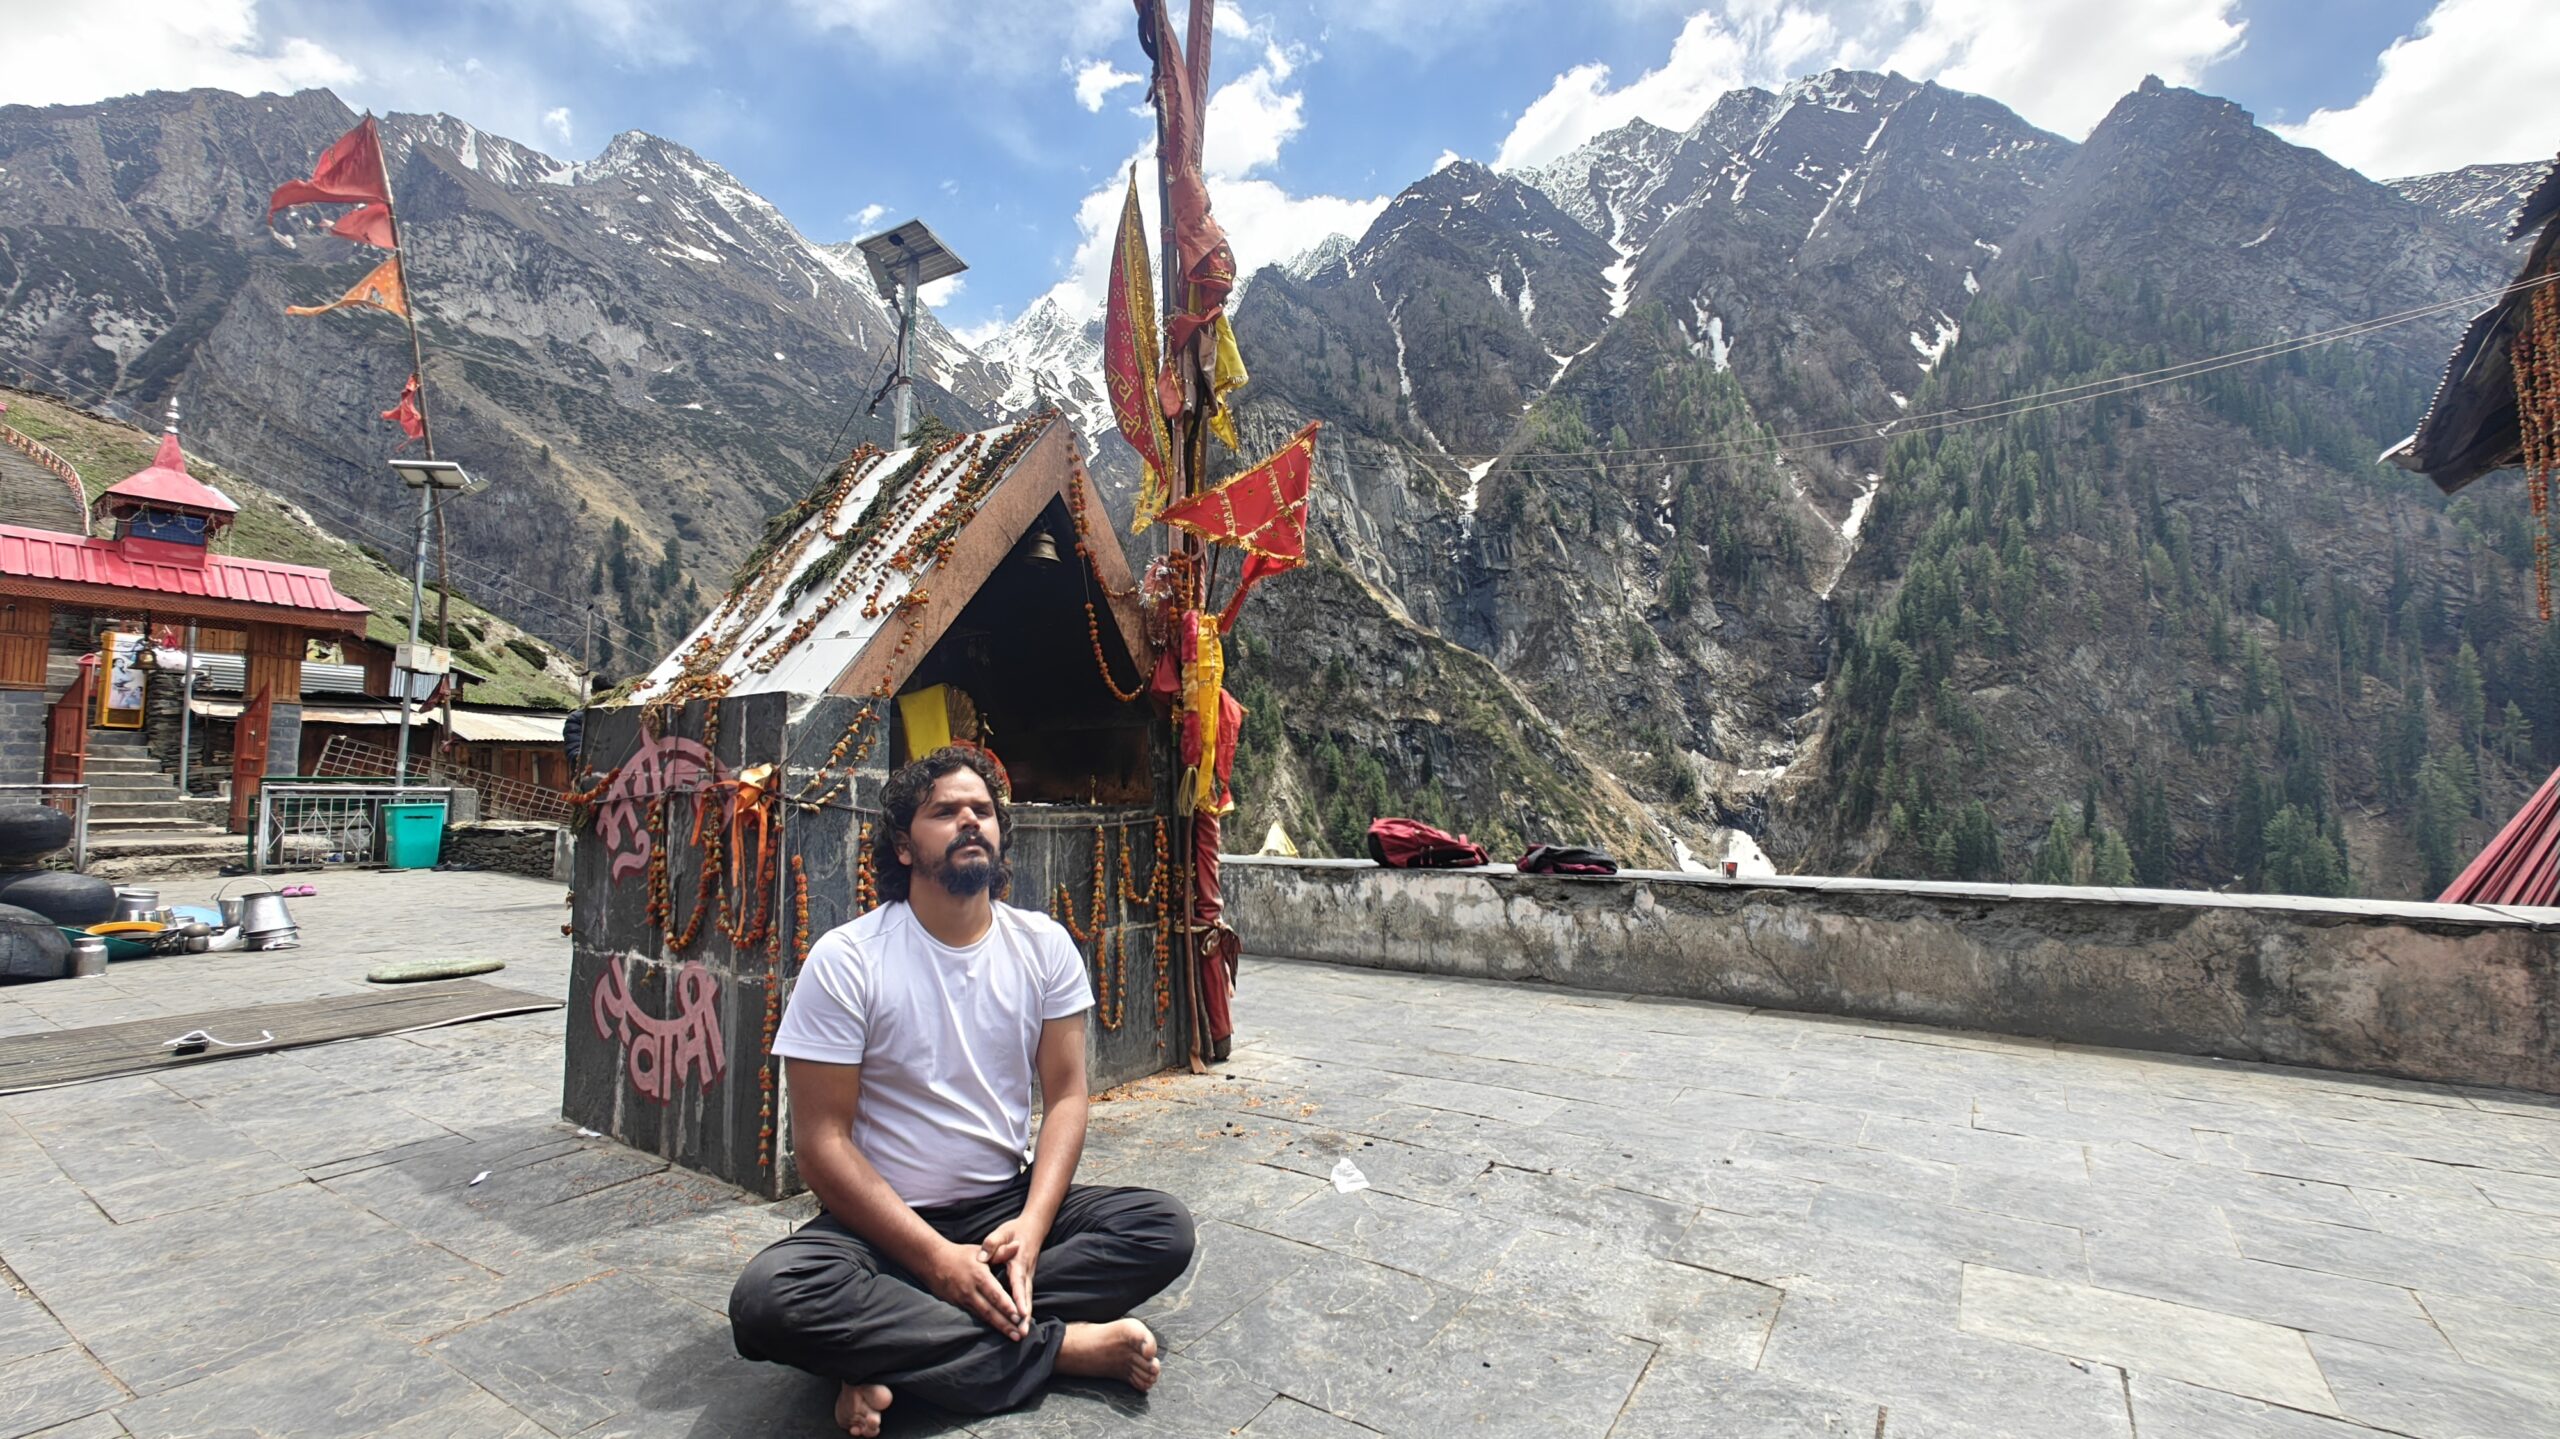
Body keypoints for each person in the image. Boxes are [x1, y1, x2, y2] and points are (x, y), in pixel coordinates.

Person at [729, 746, 1195, 1434]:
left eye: (982, 809)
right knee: (768, 1301)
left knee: (1162, 1228)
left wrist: (1033, 1228)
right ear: (903, 845)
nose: (970, 820)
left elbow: (1068, 1097)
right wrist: (937, 1261)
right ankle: (1059, 1348)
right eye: (945, 811)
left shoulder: (1043, 946)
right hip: (883, 1226)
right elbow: (821, 1143)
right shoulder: (848, 959)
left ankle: (886, 1349)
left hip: (1004, 1211)